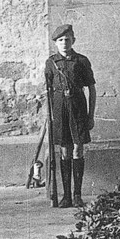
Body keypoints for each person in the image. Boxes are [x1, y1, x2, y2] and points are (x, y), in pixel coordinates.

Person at [45, 24, 96, 208]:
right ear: (56, 44)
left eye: (67, 39)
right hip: (60, 111)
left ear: (73, 40)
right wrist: (50, 116)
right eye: (60, 40)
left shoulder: (82, 61)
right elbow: (48, 91)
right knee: (64, 151)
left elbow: (91, 88)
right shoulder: (51, 63)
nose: (64, 43)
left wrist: (91, 115)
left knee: (77, 149)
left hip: (78, 109)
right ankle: (65, 196)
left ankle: (77, 195)